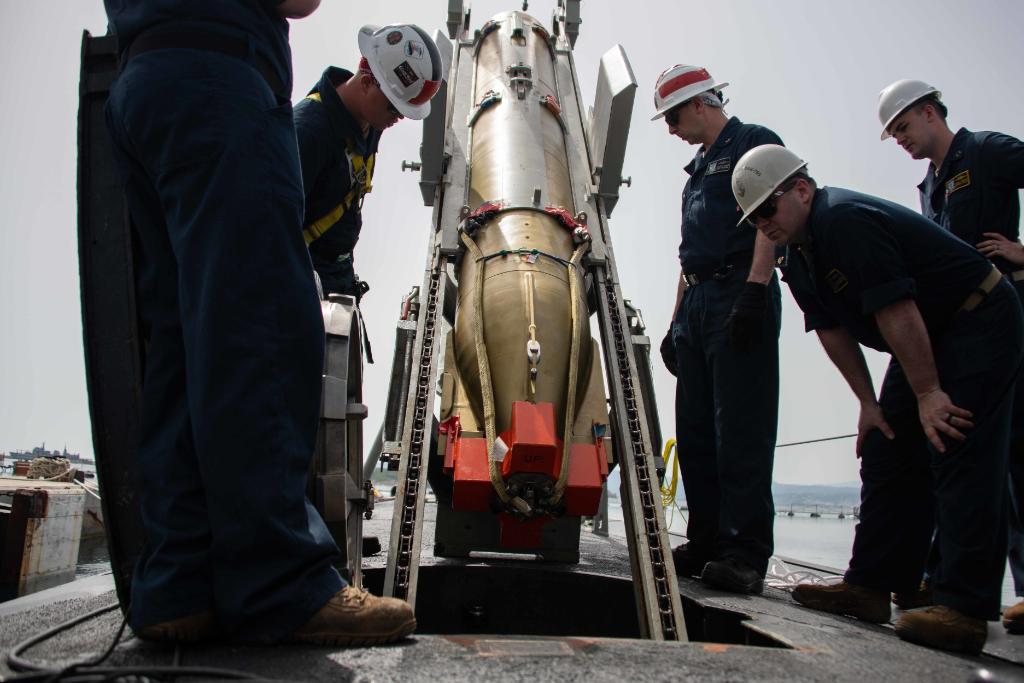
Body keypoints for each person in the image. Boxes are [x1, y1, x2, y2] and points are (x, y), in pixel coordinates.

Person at [102, 0, 415, 644]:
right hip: (221, 74)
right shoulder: (314, 126)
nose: (390, 120)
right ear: (364, 77)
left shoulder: (354, 139)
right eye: (388, 104)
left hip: (146, 73)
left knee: (181, 344)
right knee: (259, 336)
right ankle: (279, 584)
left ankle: (176, 587)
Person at [731, 144, 1023, 655]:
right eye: (754, 218)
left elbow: (895, 305)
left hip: (977, 319)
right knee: (888, 447)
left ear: (801, 189)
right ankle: (869, 585)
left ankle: (964, 607)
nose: (764, 224)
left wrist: (930, 392)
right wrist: (869, 404)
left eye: (768, 209)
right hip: (923, 334)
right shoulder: (796, 253)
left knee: (956, 442)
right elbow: (830, 329)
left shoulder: (843, 219)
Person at [878, 78, 1024, 631]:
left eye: (904, 128)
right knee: (966, 447)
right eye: (893, 136)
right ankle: (938, 579)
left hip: (1005, 315)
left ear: (931, 112)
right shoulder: (929, 185)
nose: (901, 141)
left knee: (1016, 455)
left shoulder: (986, 152)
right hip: (958, 332)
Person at [652, 64, 783, 594]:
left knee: (741, 429)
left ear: (702, 103)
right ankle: (706, 538)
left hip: (737, 291)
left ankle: (744, 552)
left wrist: (756, 287)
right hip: (700, 301)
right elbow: (689, 258)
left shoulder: (753, 143)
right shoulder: (696, 173)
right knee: (698, 431)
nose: (671, 128)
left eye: (675, 116)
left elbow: (770, 216)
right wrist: (675, 320)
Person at [296, 24, 443, 302]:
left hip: (337, 277)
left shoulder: (368, 122)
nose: (397, 118)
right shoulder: (308, 132)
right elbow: (271, 228)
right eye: (394, 107)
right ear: (366, 83)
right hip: (305, 281)